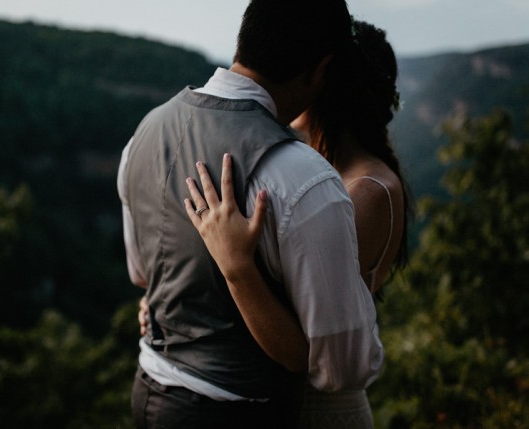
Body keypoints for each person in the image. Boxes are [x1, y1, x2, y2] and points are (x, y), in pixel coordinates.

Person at [118, 1, 383, 428]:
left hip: (148, 392)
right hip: (235, 412)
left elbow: (142, 274)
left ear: (246, 40)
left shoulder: (142, 134)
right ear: (322, 69)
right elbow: (340, 367)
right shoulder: (302, 178)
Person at [178, 20, 411, 428]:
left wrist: (233, 265)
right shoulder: (320, 169)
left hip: (321, 405)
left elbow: (298, 320)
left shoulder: (368, 190)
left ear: (327, 84)